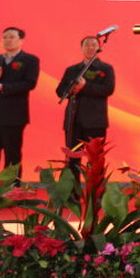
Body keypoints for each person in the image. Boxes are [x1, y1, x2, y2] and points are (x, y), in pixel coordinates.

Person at [0, 26, 40, 177]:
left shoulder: (30, 60)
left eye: (12, 37)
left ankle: (11, 188)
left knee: (12, 153)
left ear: (21, 40)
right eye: (5, 37)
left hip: (14, 115)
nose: (7, 40)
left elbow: (29, 83)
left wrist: (3, 87)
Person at [55, 36, 116, 179]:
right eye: (86, 45)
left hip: (95, 121)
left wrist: (85, 86)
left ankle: (94, 192)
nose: (90, 48)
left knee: (95, 160)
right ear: (81, 48)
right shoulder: (72, 70)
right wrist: (71, 90)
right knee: (72, 159)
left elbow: (108, 89)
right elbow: (60, 91)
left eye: (93, 45)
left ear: (99, 48)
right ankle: (72, 190)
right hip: (73, 120)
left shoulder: (105, 68)